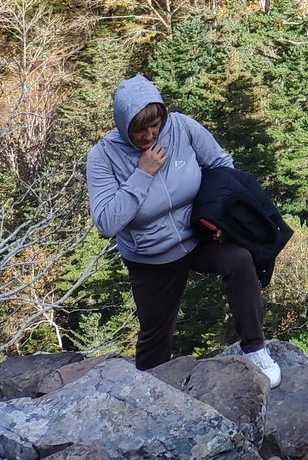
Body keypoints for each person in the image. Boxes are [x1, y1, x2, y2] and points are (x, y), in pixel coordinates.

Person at [86, 74, 281, 387]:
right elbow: (106, 222)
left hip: (198, 237)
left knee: (240, 260)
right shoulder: (103, 157)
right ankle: (150, 395)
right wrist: (141, 176)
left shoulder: (181, 127)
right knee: (154, 340)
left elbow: (221, 166)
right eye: (140, 129)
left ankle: (255, 349)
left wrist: (222, 220)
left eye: (155, 124)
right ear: (124, 126)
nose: (150, 135)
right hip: (151, 257)